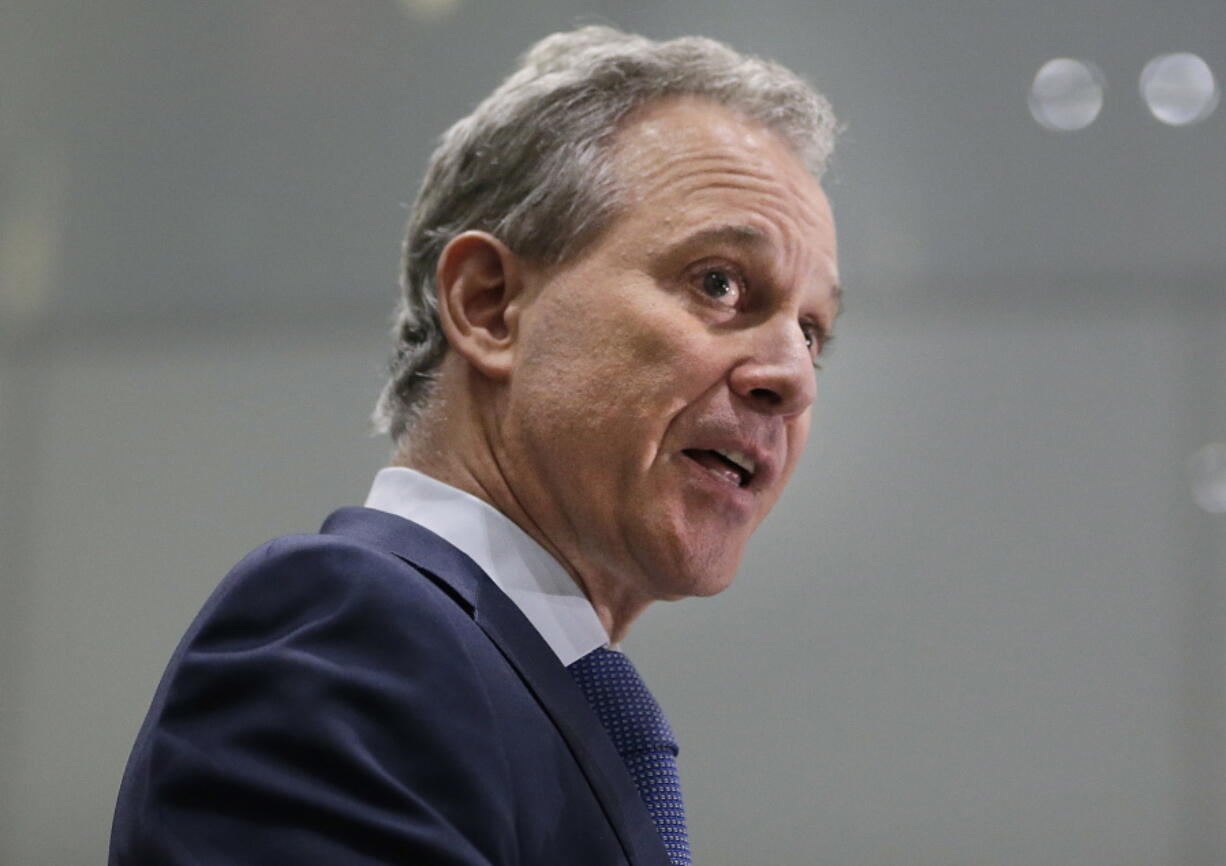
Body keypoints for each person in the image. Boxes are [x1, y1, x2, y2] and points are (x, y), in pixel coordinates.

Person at [109, 25, 841, 866]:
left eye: (814, 331)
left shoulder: (538, 689)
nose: (793, 376)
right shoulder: (350, 631)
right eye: (719, 282)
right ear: (490, 306)